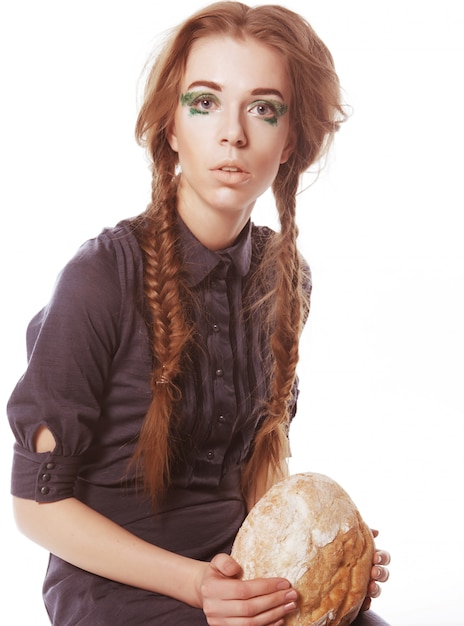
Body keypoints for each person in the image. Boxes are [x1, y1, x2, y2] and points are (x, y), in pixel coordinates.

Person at [7, 2, 390, 625]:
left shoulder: (286, 278)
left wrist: (321, 555)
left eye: (263, 108)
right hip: (112, 589)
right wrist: (195, 586)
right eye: (205, 102)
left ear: (290, 139)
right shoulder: (101, 277)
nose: (233, 133)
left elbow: (262, 469)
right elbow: (36, 506)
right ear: (170, 124)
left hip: (235, 574)